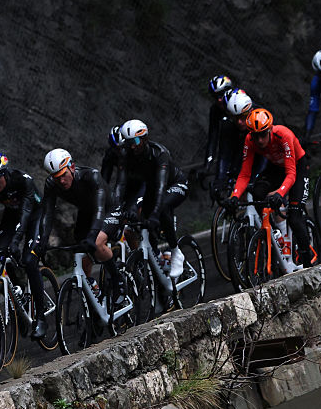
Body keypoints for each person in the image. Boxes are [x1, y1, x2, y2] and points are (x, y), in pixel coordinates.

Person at [0, 153, 48, 339]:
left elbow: (26, 213)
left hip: (34, 215)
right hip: (12, 215)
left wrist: (15, 242)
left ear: (5, 174)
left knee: (29, 260)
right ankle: (18, 299)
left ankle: (41, 317)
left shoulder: (22, 180)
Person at [40, 148, 126, 304]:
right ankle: (91, 287)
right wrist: (42, 240)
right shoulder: (52, 184)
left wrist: (92, 236)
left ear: (72, 167)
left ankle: (117, 279)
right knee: (80, 249)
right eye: (55, 177)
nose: (61, 181)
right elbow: (47, 214)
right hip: (87, 212)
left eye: (63, 175)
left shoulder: (90, 176)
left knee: (97, 243)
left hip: (108, 209)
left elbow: (99, 210)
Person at [228, 108, 313, 266]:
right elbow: (245, 174)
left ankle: (308, 261)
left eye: (262, 134)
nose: (259, 140)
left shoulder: (283, 134)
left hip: (297, 167)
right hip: (276, 168)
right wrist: (234, 196)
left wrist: (280, 193)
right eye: (255, 135)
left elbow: (291, 174)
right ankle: (278, 233)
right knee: (257, 192)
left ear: (270, 129)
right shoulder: (250, 140)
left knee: (295, 217)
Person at [112, 119, 189, 277]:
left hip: (173, 185)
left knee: (161, 208)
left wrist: (154, 214)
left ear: (145, 139)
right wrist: (117, 210)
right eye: (128, 143)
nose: (133, 146)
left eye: (136, 141)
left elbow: (161, 188)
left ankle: (175, 252)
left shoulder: (160, 153)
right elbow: (120, 185)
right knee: (142, 221)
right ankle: (156, 260)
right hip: (152, 189)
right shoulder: (126, 155)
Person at [205, 74, 241, 198]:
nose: (219, 100)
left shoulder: (240, 102)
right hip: (227, 147)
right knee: (220, 184)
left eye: (221, 95)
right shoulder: (215, 110)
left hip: (245, 145)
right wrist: (208, 165)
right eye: (216, 97)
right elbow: (213, 137)